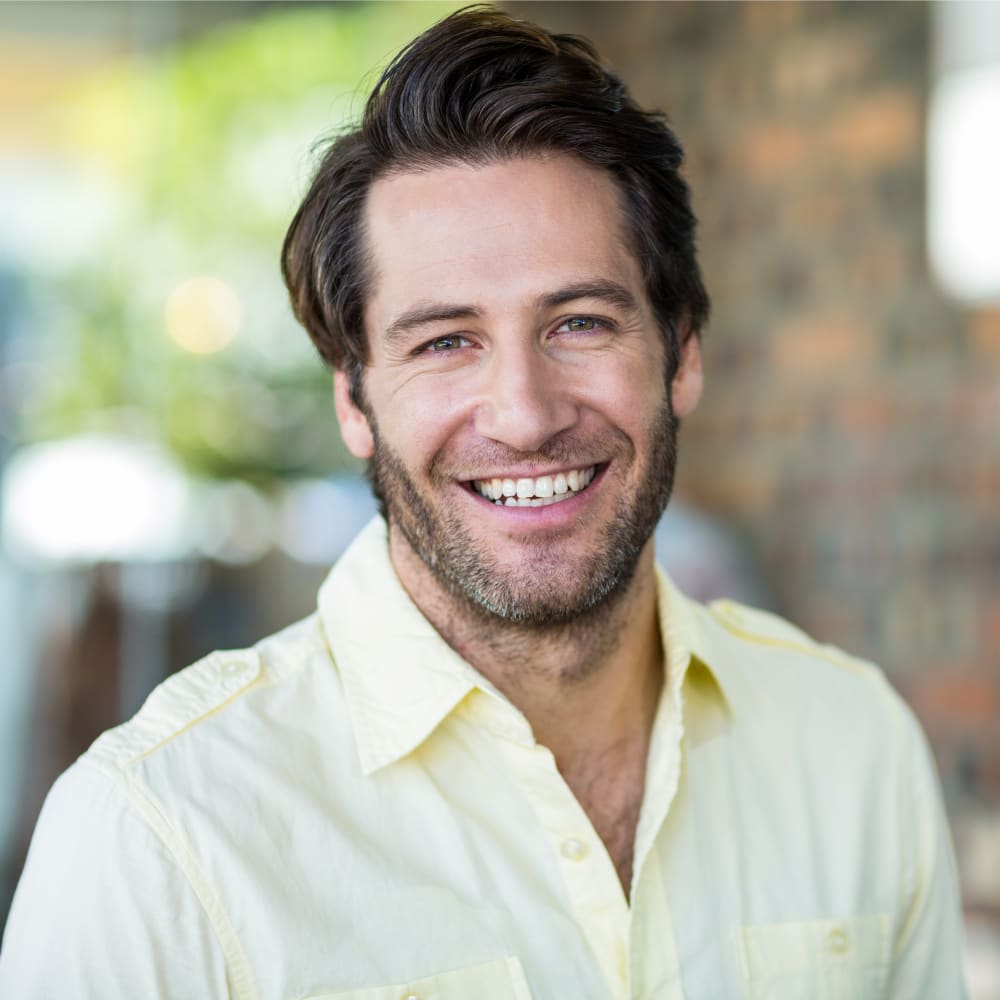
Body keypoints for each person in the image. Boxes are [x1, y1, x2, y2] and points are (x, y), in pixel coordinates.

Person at [0, 7, 967, 998]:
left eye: (581, 321)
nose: (523, 414)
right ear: (354, 400)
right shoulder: (158, 842)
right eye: (444, 340)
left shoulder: (851, 745)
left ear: (679, 356)